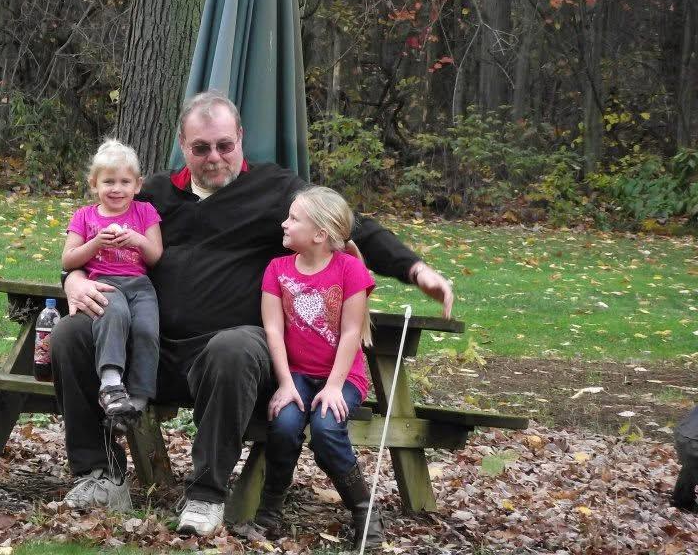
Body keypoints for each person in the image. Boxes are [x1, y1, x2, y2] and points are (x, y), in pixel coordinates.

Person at [52, 91, 454, 532]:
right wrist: (72, 280)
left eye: (225, 145)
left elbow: (354, 226)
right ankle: (101, 474)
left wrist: (416, 270)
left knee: (234, 346)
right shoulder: (152, 194)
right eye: (201, 148)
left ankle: (205, 495)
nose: (214, 158)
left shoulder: (276, 190)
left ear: (241, 138)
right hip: (150, 348)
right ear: (183, 146)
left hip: (233, 356)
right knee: (72, 334)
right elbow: (92, 248)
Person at [254, 185, 383, 546]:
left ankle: (364, 513)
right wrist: (284, 383)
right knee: (284, 424)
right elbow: (273, 329)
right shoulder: (277, 269)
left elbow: (351, 332)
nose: (284, 223)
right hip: (294, 375)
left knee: (326, 429)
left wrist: (332, 386)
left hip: (342, 377)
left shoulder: (349, 270)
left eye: (293, 218)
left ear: (320, 234)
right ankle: (268, 514)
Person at [61, 139, 162, 432]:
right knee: (113, 316)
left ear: (137, 185)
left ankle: (138, 400)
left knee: (146, 329)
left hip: (140, 285)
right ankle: (111, 384)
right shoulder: (85, 216)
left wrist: (137, 240)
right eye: (108, 182)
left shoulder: (145, 213)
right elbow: (68, 260)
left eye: (124, 182)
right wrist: (95, 243)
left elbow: (155, 256)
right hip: (103, 282)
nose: (116, 189)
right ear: (94, 184)